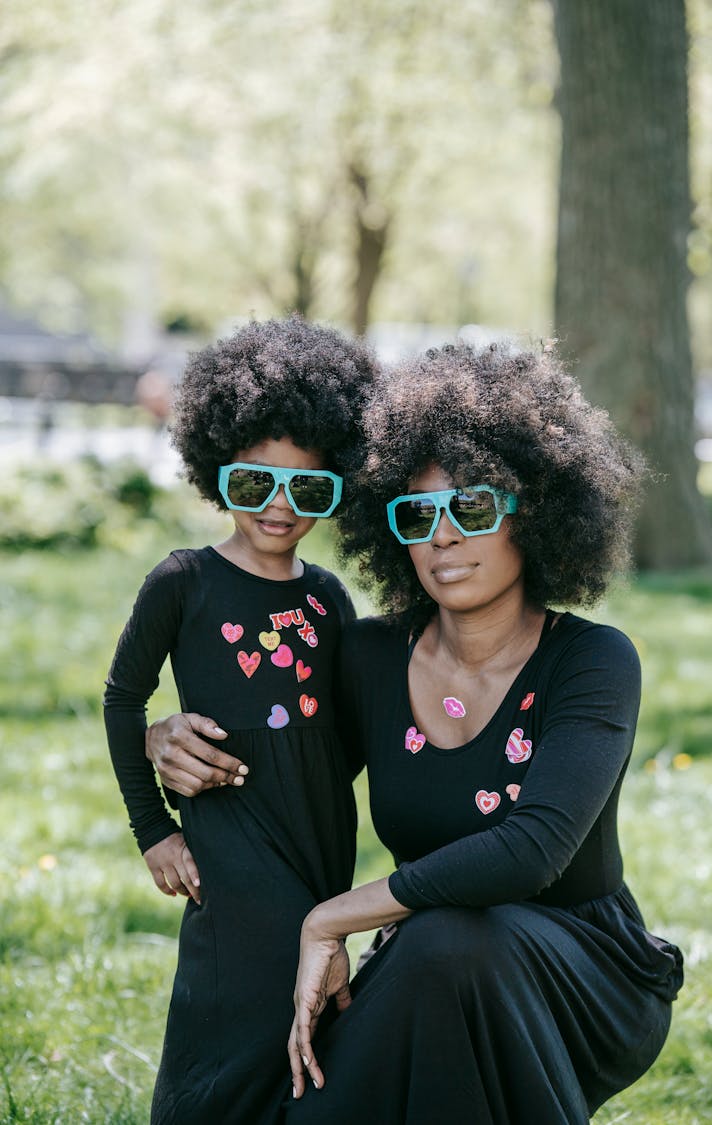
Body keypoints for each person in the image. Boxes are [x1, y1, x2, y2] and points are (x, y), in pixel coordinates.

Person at [146, 341, 684, 1124]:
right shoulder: (366, 656)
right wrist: (160, 739)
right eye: (416, 512)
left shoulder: (593, 661)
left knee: (449, 943)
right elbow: (275, 754)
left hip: (584, 973)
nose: (441, 535)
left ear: (528, 513)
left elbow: (532, 851)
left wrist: (333, 917)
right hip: (433, 957)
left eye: (471, 507)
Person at [103, 316, 375, 1125]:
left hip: (320, 844)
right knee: (234, 1011)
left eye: (310, 489)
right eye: (257, 483)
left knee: (315, 1017)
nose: (281, 508)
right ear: (216, 474)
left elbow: (344, 733)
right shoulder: (182, 582)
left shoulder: (328, 597)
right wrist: (154, 827)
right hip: (230, 849)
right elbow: (124, 698)